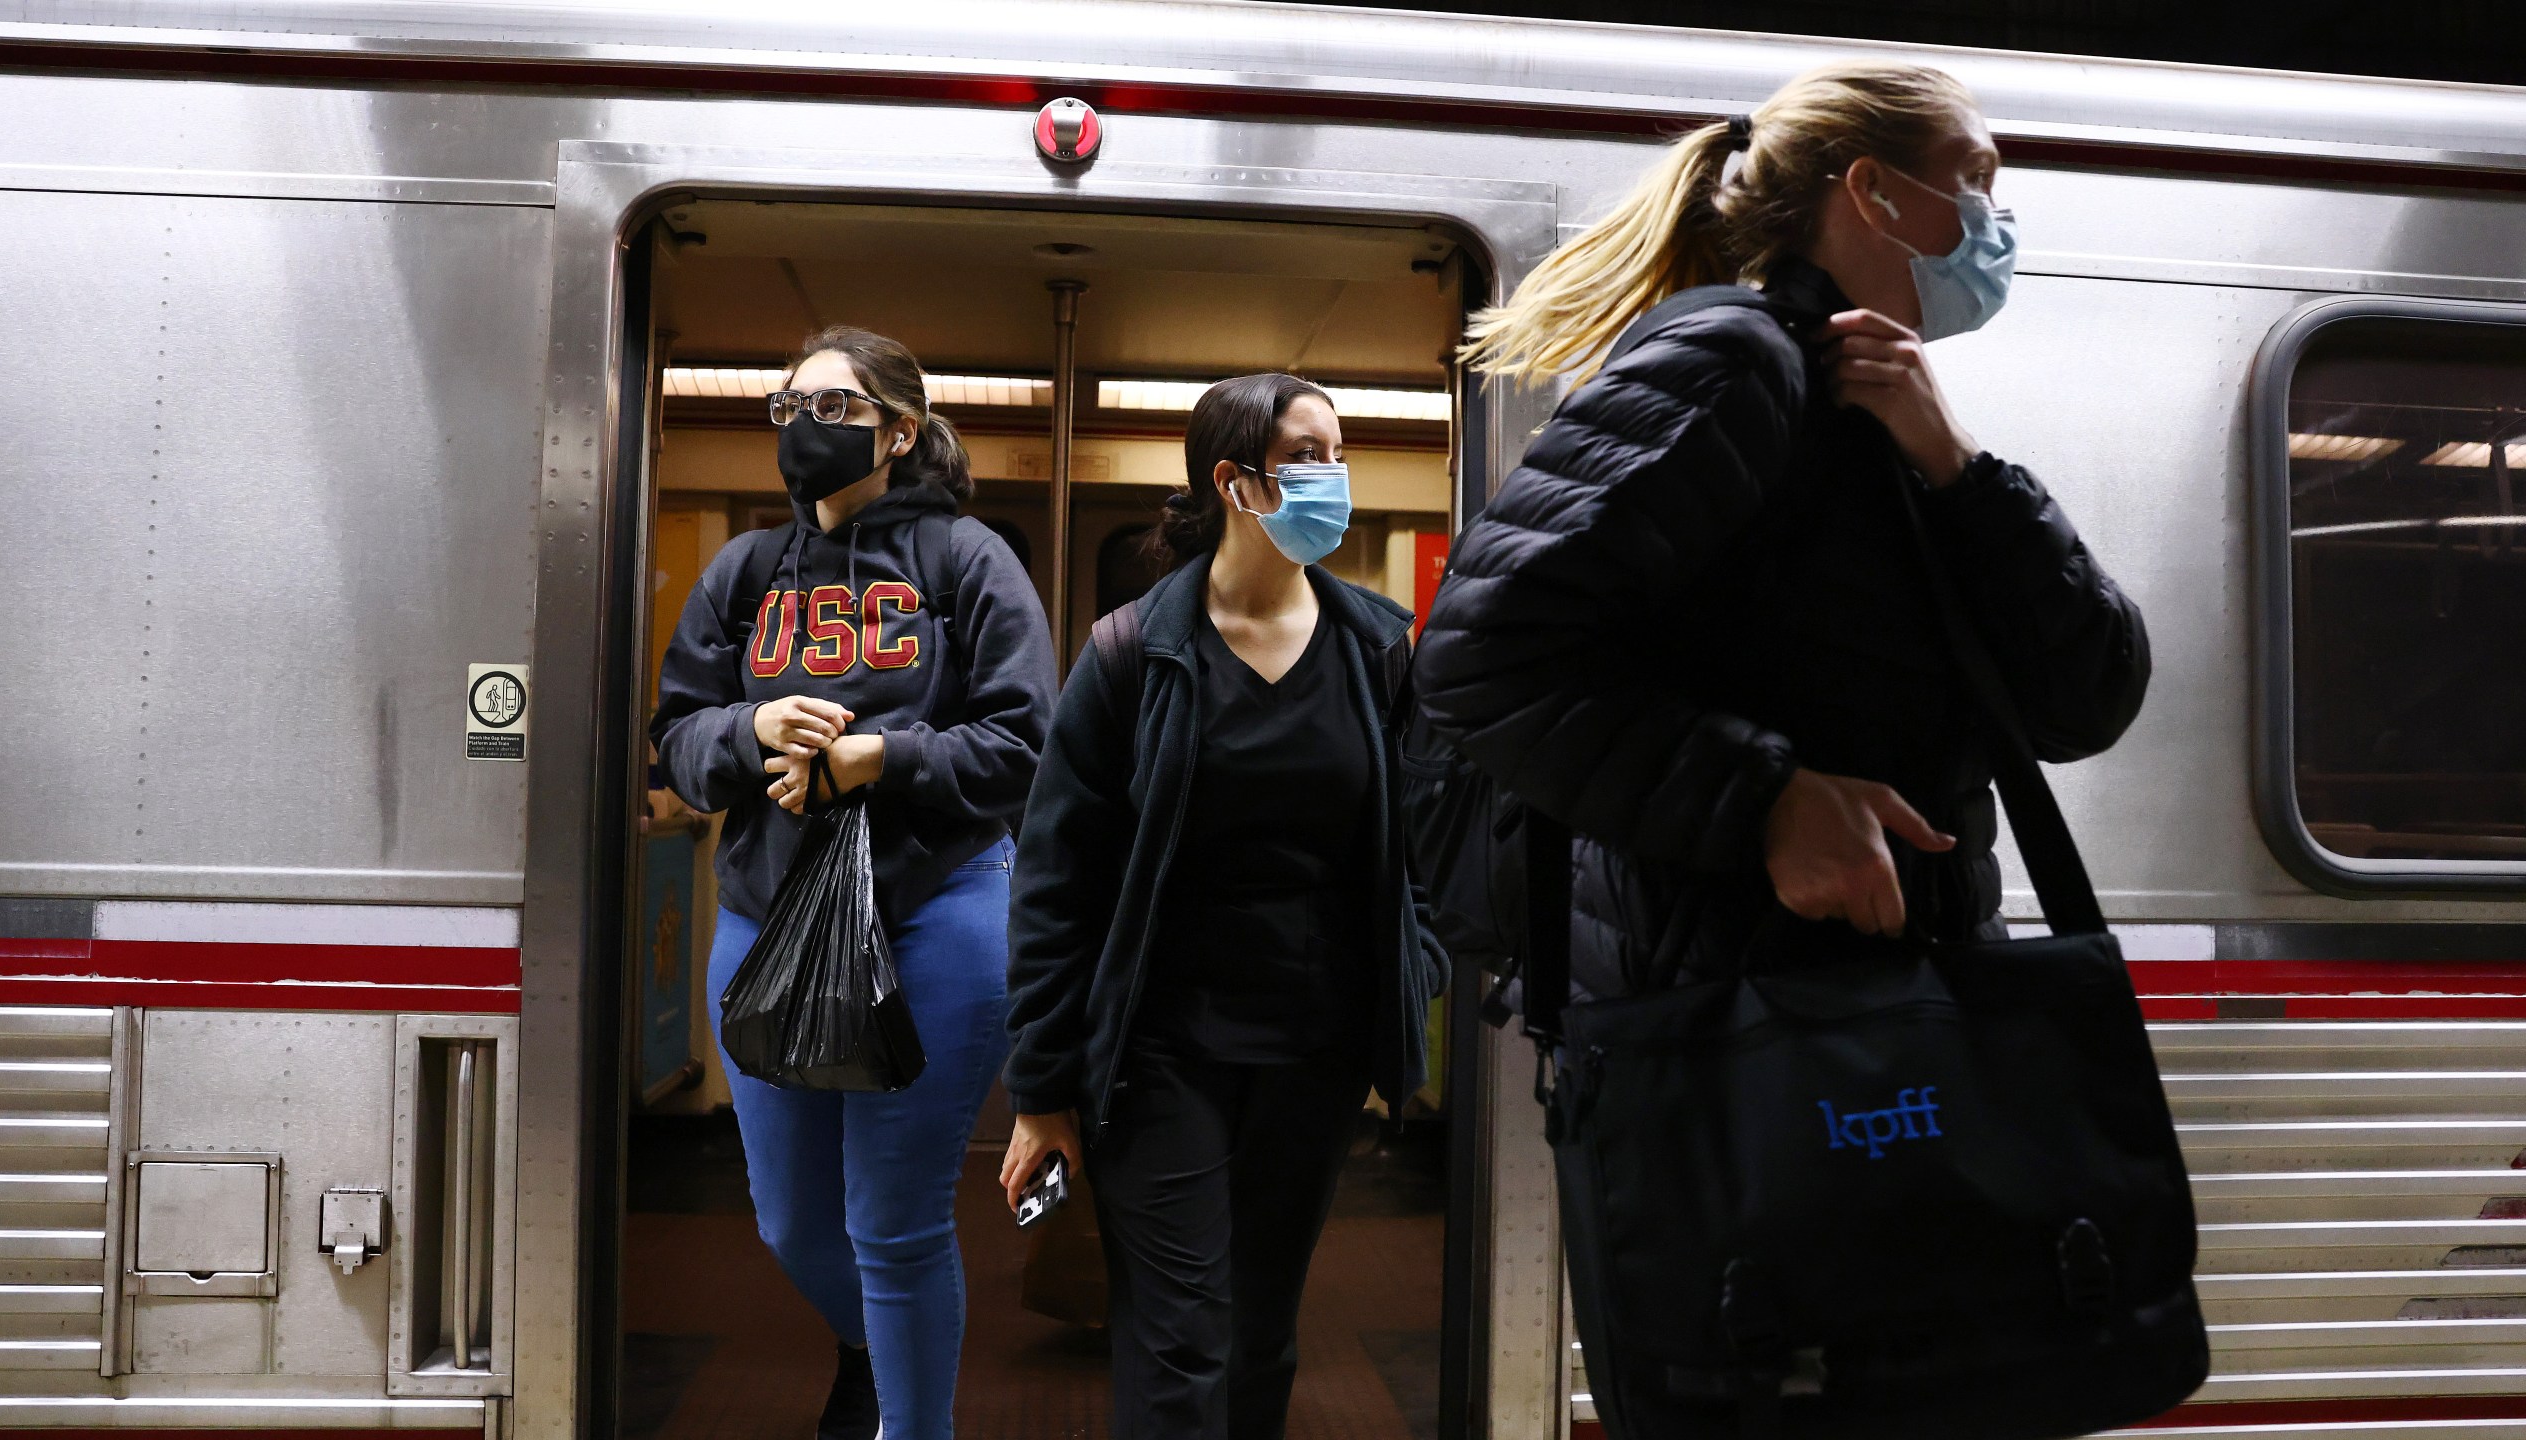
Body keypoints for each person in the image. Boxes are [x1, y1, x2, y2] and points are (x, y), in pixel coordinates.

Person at [1412, 62, 2150, 1424]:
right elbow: (1481, 651)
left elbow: (2087, 695)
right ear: (1874, 191)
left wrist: (1962, 467)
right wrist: (1759, 802)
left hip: (1855, 1040)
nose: (1997, 223)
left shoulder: (1876, 409)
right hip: (1752, 1051)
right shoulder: (1734, 361)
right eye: (1976, 183)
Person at [1000, 373, 1448, 1440]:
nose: (1330, 478)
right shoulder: (1131, 656)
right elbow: (1056, 883)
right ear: (1234, 481)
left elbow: (1422, 845)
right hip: (1161, 1053)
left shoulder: (1379, 652)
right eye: (1306, 455)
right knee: (1178, 1334)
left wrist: (1412, 962)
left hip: (1316, 1052)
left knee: (1261, 1332)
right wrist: (1041, 1087)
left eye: (1338, 454)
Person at [650, 325, 1056, 1440]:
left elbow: (1030, 744)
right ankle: (885, 1345)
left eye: (832, 411)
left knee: (896, 1226)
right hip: (768, 914)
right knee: (792, 1226)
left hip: (937, 909)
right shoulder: (743, 570)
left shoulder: (967, 561)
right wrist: (749, 727)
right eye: (789, 409)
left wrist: (884, 757)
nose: (803, 431)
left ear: (898, 431)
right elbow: (674, 737)